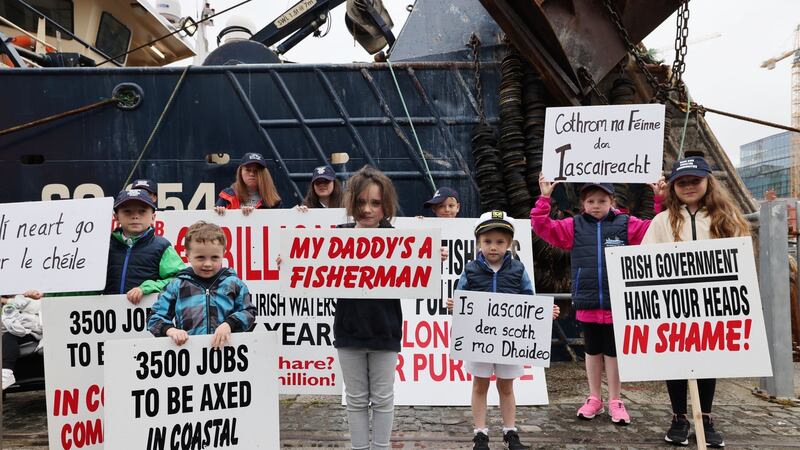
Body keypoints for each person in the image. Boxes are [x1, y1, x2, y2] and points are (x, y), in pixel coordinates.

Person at [531, 173, 665, 426]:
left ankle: (615, 400)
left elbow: (656, 230)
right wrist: (544, 198)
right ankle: (594, 397)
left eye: (601, 200)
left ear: (611, 201)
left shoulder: (626, 224)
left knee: (613, 353)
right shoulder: (574, 226)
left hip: (617, 302)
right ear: (583, 203)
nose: (595, 205)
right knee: (592, 351)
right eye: (590, 200)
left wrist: (659, 199)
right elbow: (542, 226)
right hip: (588, 300)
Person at [642, 156, 749, 448]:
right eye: (682, 182)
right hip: (673, 304)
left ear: (707, 182)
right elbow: (645, 258)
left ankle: (706, 417)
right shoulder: (662, 221)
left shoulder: (725, 217)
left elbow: (740, 258)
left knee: (707, 362)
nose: (688, 186)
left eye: (695, 180)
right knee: (675, 363)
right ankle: (679, 417)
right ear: (673, 186)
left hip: (712, 304)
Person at [446, 210, 559, 450]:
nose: (493, 247)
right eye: (487, 241)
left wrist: (544, 313)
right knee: (480, 384)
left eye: (499, 242)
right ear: (479, 242)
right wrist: (455, 304)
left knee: (507, 386)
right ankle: (480, 433)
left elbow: (530, 301)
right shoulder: (470, 269)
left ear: (509, 244)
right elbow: (461, 299)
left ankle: (510, 431)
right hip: (479, 340)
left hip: (510, 341)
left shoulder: (518, 269)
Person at [148, 221, 256, 347]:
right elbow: (154, 317)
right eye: (200, 257)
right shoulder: (177, 285)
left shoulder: (233, 283)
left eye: (214, 257)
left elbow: (249, 312)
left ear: (223, 254)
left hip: (227, 354)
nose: (207, 264)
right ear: (187, 255)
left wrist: (229, 324)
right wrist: (171, 331)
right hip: (188, 354)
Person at [106, 189, 185, 304]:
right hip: (107, 318)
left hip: (150, 317)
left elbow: (180, 279)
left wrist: (147, 288)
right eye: (127, 211)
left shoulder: (162, 246)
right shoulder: (104, 246)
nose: (135, 216)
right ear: (116, 217)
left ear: (153, 217)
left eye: (142, 211)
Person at [215, 152, 282, 215]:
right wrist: (219, 211)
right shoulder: (227, 196)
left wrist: (254, 214)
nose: (252, 174)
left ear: (263, 175)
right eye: (248, 170)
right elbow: (213, 224)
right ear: (240, 172)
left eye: (256, 171)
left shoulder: (274, 201)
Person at [1, 290, 42, 390]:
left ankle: (7, 372)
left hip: (29, 332)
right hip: (9, 329)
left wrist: (5, 300)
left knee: (8, 336)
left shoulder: (32, 294)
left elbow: (36, 305)